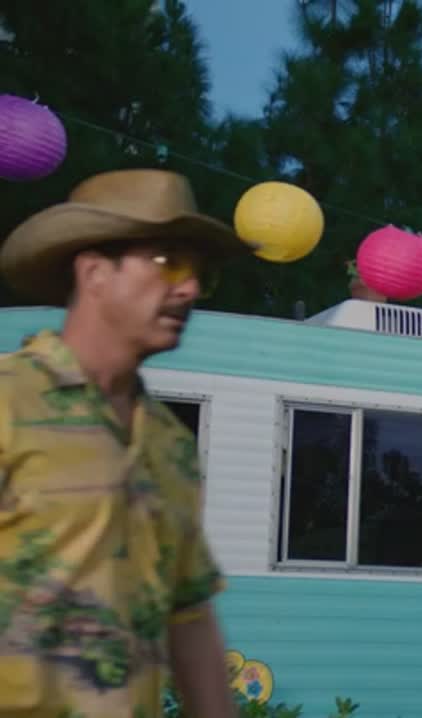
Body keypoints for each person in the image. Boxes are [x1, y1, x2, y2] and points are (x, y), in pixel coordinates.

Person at [0, 169, 256, 717]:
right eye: (169, 262)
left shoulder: (171, 444)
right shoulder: (8, 401)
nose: (189, 290)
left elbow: (188, 614)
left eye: (200, 275)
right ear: (94, 272)